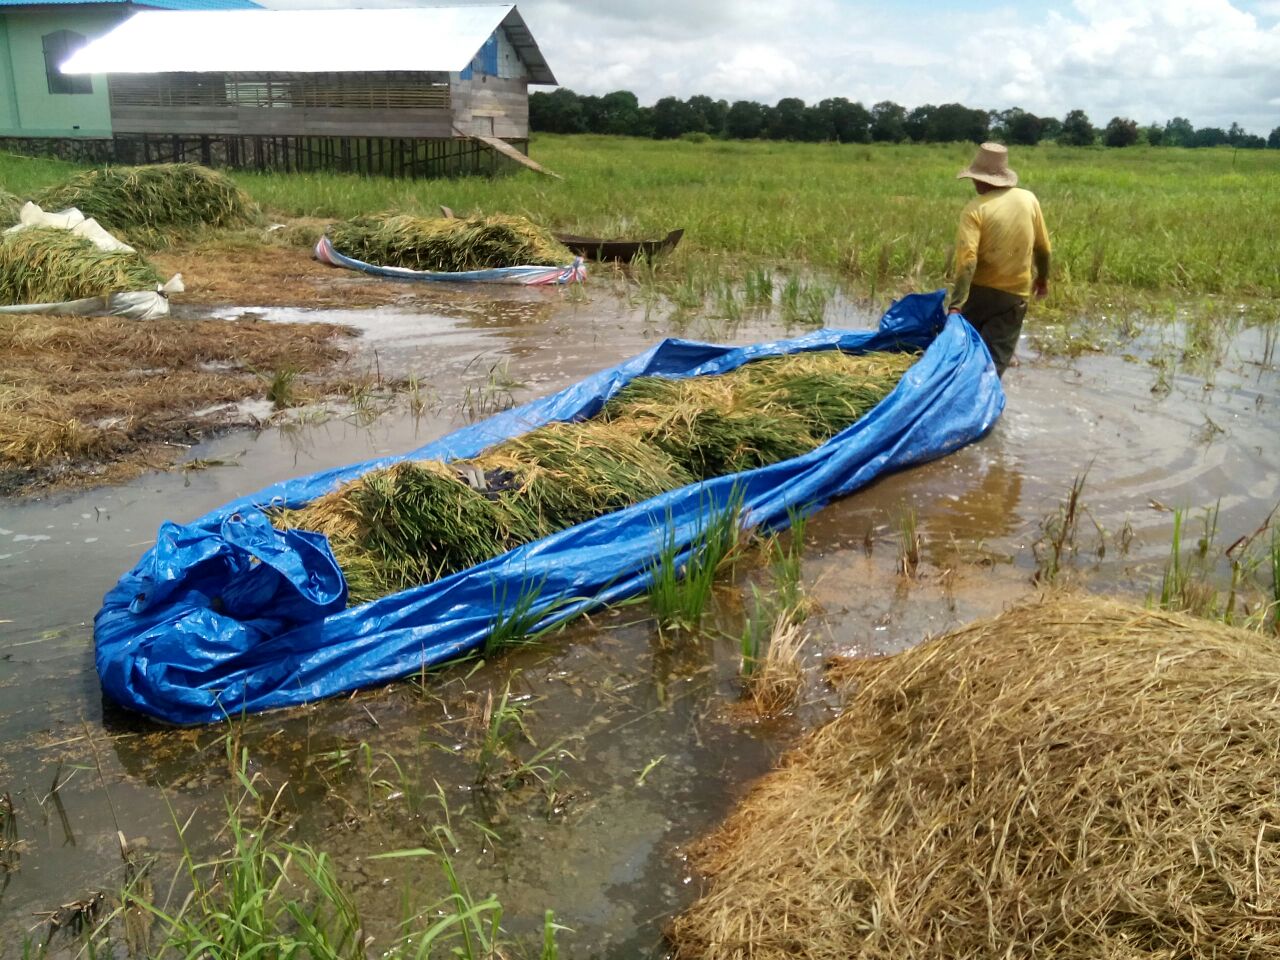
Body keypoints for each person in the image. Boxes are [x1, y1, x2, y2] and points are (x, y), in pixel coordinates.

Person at [946, 142, 1051, 377]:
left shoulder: (974, 209)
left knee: (965, 354)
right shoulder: (1029, 199)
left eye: (974, 178)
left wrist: (956, 305)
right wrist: (1042, 279)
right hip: (1014, 297)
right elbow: (1043, 248)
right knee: (993, 363)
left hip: (978, 294)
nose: (973, 182)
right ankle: (986, 406)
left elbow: (968, 261)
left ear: (982, 180)